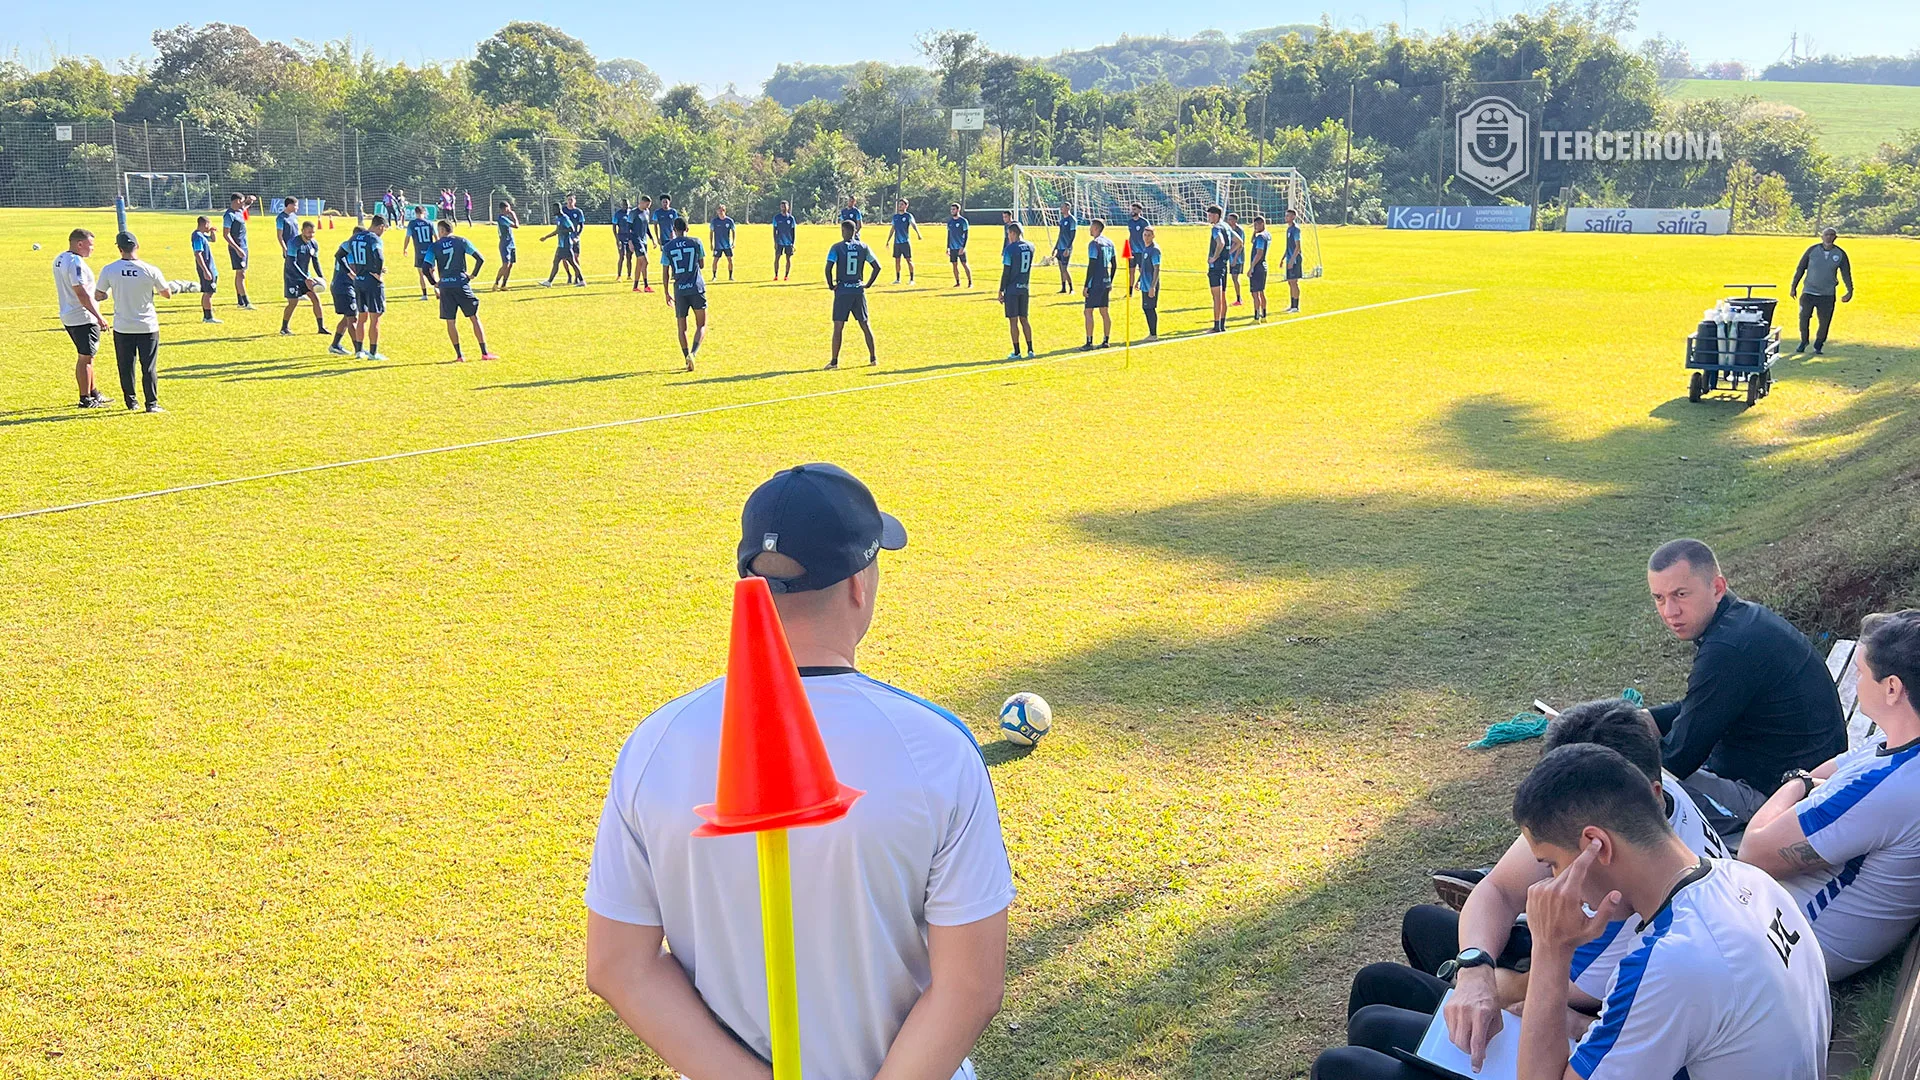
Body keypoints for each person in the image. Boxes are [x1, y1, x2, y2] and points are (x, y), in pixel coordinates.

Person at [584, 462, 1013, 1080]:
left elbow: (619, 966)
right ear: (859, 583)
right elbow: (969, 985)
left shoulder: (655, 744)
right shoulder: (935, 749)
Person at [1322, 700, 1728, 1077]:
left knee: (1357, 1044)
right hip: (1595, 1008)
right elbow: (1498, 888)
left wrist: (1542, 955)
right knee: (1402, 955)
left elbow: (1553, 1021)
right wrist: (1474, 967)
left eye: (1552, 862)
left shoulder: (1649, 941)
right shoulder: (1659, 820)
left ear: (1596, 836)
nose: (1547, 875)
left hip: (1587, 1019)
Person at [1513, 745, 1827, 1080]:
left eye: (1553, 865)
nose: (1553, 883)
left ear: (1597, 845)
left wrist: (1550, 949)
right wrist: (1581, 1024)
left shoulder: (1668, 960)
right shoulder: (1746, 877)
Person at [1739, 609, 1920, 979]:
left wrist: (1798, 783)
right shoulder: (1897, 746)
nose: (1856, 680)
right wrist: (1808, 783)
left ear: (1892, 688)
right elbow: (1831, 768)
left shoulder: (1887, 786)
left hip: (1794, 945)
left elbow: (1753, 853)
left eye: (1861, 672)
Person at [1646, 539, 1848, 834]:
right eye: (1659, 598)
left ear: (1716, 587)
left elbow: (1676, 761)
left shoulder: (1728, 647)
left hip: (1779, 801)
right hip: (1797, 774)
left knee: (1644, 786)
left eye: (1680, 595)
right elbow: (1710, 704)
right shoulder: (1741, 621)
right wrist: (1647, 719)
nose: (1669, 611)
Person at [92, 231, 173, 413]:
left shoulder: (109, 269)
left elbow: (98, 294)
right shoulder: (151, 269)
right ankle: (151, 403)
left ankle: (131, 402)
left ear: (120, 249)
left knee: (126, 366)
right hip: (147, 326)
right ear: (137, 246)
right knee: (149, 367)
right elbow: (166, 294)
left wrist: (112, 291)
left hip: (123, 326)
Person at [53, 227, 109, 408]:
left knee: (89, 356)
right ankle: (85, 398)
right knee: (85, 357)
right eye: (90, 245)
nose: (92, 249)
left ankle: (94, 393)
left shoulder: (60, 258)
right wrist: (99, 316)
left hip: (69, 314)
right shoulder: (75, 262)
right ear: (80, 244)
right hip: (82, 316)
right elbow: (81, 293)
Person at [431, 218, 496, 362]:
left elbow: (425, 267)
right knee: (474, 318)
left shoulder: (434, 246)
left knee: (450, 321)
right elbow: (480, 259)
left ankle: (459, 356)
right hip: (461, 284)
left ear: (442, 230)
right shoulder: (462, 241)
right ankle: (484, 353)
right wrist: (472, 275)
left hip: (446, 287)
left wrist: (435, 283)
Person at [824, 219, 881, 370]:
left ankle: (834, 362)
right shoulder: (863, 247)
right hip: (858, 290)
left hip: (842, 291)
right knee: (865, 324)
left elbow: (828, 268)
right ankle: (873, 358)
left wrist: (831, 285)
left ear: (845, 231)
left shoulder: (837, 247)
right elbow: (877, 267)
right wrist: (867, 284)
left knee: (838, 327)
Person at [1790, 227, 1854, 354]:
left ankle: (1818, 344)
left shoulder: (1840, 254)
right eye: (1826, 235)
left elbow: (1846, 273)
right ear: (1822, 236)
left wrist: (1850, 290)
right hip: (1809, 292)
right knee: (1804, 317)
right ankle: (1804, 341)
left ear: (1835, 237)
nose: (1829, 237)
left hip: (1827, 294)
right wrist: (1793, 287)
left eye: (1832, 235)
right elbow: (1800, 269)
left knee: (1824, 321)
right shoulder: (1812, 251)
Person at [660, 217, 708, 372]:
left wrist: (666, 292)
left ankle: (686, 357)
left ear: (673, 230)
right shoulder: (696, 242)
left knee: (682, 328)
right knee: (701, 324)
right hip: (696, 287)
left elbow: (665, 272)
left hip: (680, 290)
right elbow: (701, 264)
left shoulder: (667, 247)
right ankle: (693, 353)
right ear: (687, 228)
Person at [348, 215, 390, 362]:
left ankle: (359, 351)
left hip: (358, 281)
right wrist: (378, 273)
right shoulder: (374, 239)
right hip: (372, 283)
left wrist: (352, 272)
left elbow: (340, 254)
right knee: (375, 318)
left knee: (362, 317)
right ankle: (373, 352)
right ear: (381, 226)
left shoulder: (355, 237)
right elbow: (379, 257)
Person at [279, 221, 327, 336]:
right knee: (293, 302)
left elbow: (315, 261)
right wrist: (305, 278)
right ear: (303, 231)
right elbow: (291, 263)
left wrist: (321, 276)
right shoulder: (294, 243)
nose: (311, 235)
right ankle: (284, 328)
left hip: (306, 277)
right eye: (309, 232)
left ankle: (321, 327)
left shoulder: (314, 244)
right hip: (292, 277)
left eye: (313, 232)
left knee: (315, 299)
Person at [999, 222, 1036, 360]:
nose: (1008, 236)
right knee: (1024, 319)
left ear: (1013, 233)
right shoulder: (1031, 247)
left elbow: (1006, 272)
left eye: (1009, 234)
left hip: (1012, 289)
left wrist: (1001, 290)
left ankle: (1017, 352)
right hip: (1024, 287)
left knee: (1013, 321)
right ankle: (1031, 349)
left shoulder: (1010, 250)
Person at [327, 223, 364, 357]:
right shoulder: (350, 249)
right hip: (344, 287)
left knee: (348, 317)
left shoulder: (346, 246)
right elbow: (354, 268)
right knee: (352, 318)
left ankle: (335, 345)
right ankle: (359, 350)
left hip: (344, 286)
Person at [1081, 219, 1116, 351]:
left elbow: (1092, 265)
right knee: (1104, 312)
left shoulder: (1094, 244)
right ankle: (1106, 340)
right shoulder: (1109, 243)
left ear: (1095, 228)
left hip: (1095, 282)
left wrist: (1086, 285)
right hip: (1105, 282)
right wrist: (1110, 281)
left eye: (1091, 227)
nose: (1089, 229)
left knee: (1088, 311)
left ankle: (1089, 342)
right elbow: (1114, 265)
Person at [222, 192, 255, 310]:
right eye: (242, 201)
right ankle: (246, 302)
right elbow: (226, 235)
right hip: (238, 247)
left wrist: (250, 200)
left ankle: (240, 301)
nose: (243, 203)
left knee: (240, 273)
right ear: (237, 201)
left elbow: (246, 205)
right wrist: (237, 248)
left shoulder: (240, 211)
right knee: (241, 274)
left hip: (244, 246)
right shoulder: (229, 215)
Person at [541, 203, 581, 288]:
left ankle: (581, 280)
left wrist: (562, 230)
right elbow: (557, 231)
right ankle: (549, 281)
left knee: (572, 263)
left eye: (554, 209)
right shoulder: (558, 218)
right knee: (556, 262)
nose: (553, 211)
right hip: (561, 245)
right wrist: (546, 237)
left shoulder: (564, 218)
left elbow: (572, 229)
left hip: (566, 245)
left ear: (558, 209)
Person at [190, 216, 221, 323]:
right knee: (208, 292)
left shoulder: (202, 235)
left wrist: (213, 232)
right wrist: (205, 270)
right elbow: (198, 254)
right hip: (206, 268)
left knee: (209, 292)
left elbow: (213, 240)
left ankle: (207, 316)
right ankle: (208, 317)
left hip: (210, 267)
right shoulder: (197, 236)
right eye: (209, 224)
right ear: (205, 224)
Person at [1205, 205, 1230, 333]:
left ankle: (1216, 326)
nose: (1208, 217)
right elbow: (1239, 242)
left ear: (1215, 215)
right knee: (1223, 296)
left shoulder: (1216, 228)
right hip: (1224, 266)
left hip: (1216, 267)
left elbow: (1221, 243)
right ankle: (1222, 324)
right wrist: (1228, 254)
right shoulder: (1227, 227)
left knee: (1217, 297)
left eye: (1209, 215)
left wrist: (1214, 257)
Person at [1137, 225, 1162, 340]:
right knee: (1146, 308)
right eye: (1145, 235)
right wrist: (1138, 280)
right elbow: (1143, 267)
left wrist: (1153, 286)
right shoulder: (1145, 248)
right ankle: (1151, 333)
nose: (1146, 237)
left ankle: (1153, 334)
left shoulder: (1155, 250)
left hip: (1151, 284)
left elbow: (1156, 268)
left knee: (1150, 308)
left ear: (1153, 236)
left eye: (1148, 235)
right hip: (1144, 284)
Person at [888, 198, 920, 284]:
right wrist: (888, 240)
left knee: (908, 260)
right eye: (899, 204)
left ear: (906, 206)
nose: (900, 206)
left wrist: (918, 234)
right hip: (897, 242)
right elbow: (892, 229)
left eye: (902, 204)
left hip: (905, 242)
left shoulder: (908, 216)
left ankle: (912, 279)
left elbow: (913, 225)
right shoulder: (895, 217)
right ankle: (898, 279)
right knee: (897, 260)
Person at [1246, 215, 1270, 322]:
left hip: (1257, 267)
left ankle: (1256, 316)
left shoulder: (1260, 237)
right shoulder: (1267, 235)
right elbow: (1252, 241)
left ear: (1262, 224)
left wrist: (1251, 267)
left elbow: (1259, 253)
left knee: (1255, 293)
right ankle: (1264, 315)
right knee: (1261, 291)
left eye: (1256, 225)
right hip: (1263, 266)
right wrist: (1254, 232)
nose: (1255, 227)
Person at [493, 201, 520, 291]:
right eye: (508, 207)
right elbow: (516, 226)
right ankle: (496, 283)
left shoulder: (505, 218)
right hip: (505, 244)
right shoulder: (502, 219)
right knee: (505, 264)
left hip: (511, 244)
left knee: (510, 264)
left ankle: (504, 284)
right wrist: (514, 215)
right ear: (504, 209)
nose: (510, 209)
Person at [630, 195, 655, 292]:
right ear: (642, 202)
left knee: (640, 263)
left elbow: (646, 227)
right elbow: (629, 227)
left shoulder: (647, 212)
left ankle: (637, 286)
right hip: (636, 240)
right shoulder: (633, 213)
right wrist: (630, 242)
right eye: (647, 204)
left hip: (644, 240)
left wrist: (652, 238)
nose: (648, 207)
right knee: (645, 261)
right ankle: (645, 285)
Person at [1125, 203, 1149, 296]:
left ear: (1139, 211)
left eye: (1134, 209)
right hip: (1132, 251)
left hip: (1142, 250)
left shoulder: (1144, 222)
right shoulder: (1130, 222)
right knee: (1131, 271)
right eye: (1132, 209)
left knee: (1142, 271)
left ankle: (1144, 288)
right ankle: (1130, 292)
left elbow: (1149, 234)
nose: (1132, 211)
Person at [1052, 202, 1076, 293]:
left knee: (1064, 269)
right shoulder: (1062, 221)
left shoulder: (1072, 220)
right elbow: (1060, 234)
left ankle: (1071, 288)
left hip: (1066, 248)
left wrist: (1068, 248)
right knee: (1061, 268)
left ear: (1068, 208)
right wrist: (1055, 247)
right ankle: (1063, 288)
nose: (1061, 208)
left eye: (1062, 207)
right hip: (1060, 247)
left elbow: (1073, 235)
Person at [1282, 208, 1304, 314]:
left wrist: (1292, 260)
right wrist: (1283, 258)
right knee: (1290, 282)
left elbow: (1297, 247)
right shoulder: (1288, 229)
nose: (1286, 217)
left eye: (1288, 216)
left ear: (1293, 217)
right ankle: (1292, 304)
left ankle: (1296, 306)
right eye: (1286, 216)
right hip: (1289, 259)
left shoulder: (1296, 230)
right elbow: (1288, 246)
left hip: (1294, 260)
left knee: (1294, 282)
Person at [945, 203, 971, 288]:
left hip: (960, 247)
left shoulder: (963, 221)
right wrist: (948, 247)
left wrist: (963, 247)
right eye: (951, 209)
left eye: (954, 209)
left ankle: (970, 282)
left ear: (958, 210)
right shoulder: (950, 222)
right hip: (952, 248)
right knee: (954, 265)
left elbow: (966, 235)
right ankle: (957, 282)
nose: (952, 211)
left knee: (964, 264)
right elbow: (949, 235)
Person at [563, 194, 587, 282]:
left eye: (571, 200)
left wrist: (577, 236)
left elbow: (581, 225)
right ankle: (569, 275)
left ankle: (577, 276)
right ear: (566, 200)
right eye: (569, 199)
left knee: (576, 257)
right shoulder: (563, 211)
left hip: (574, 238)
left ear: (574, 201)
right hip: (565, 238)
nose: (570, 201)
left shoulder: (578, 211)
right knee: (564, 258)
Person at [709, 205, 737, 281]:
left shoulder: (729, 221)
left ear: (725, 211)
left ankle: (730, 276)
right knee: (715, 260)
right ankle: (714, 276)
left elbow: (733, 231)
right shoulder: (714, 221)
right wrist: (711, 243)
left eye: (722, 211)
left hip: (727, 245)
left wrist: (733, 242)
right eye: (719, 211)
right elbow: (711, 232)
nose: (720, 212)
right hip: (718, 245)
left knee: (730, 260)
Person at [772, 200, 797, 281]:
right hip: (779, 242)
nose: (783, 208)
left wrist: (793, 243)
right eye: (782, 206)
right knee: (777, 258)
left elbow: (793, 231)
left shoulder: (791, 218)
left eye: (785, 206)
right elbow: (774, 231)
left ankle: (786, 276)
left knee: (788, 259)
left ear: (788, 207)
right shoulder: (777, 218)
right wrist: (775, 242)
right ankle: (776, 275)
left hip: (788, 242)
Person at [1225, 211, 1246, 307]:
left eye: (1230, 219)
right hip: (1232, 258)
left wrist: (1235, 259)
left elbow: (1240, 246)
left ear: (1235, 220)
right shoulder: (1229, 229)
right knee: (1233, 278)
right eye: (1228, 219)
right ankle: (1238, 298)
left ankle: (1239, 298)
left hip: (1238, 259)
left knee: (1235, 278)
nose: (1228, 221)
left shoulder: (1239, 230)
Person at [613, 198, 635, 282]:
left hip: (630, 238)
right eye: (623, 205)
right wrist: (617, 239)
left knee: (629, 257)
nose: (625, 206)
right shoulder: (618, 214)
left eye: (626, 205)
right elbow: (614, 228)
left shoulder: (631, 213)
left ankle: (629, 275)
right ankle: (619, 275)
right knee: (622, 256)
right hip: (621, 237)